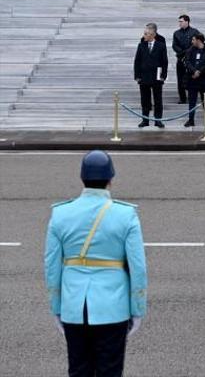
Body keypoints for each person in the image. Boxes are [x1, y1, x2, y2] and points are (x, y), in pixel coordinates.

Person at [45, 150, 147, 377]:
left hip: (73, 306)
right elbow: (138, 267)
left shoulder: (60, 214)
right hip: (113, 307)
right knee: (109, 370)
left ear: (82, 178)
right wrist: (137, 308)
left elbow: (51, 267)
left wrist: (56, 306)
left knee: (79, 370)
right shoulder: (126, 214)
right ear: (111, 179)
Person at [133, 22, 168, 128]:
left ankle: (158, 120)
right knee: (145, 100)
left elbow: (164, 62)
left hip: (156, 77)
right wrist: (137, 76)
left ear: (152, 35)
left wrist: (163, 76)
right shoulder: (141, 45)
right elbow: (137, 61)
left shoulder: (161, 46)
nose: (144, 36)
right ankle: (145, 120)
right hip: (144, 77)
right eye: (144, 33)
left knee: (158, 100)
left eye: (146, 34)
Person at [183, 34, 205, 128]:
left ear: (199, 40)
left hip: (203, 80)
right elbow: (187, 61)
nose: (192, 41)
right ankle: (191, 120)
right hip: (192, 79)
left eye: (193, 39)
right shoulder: (190, 50)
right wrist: (194, 71)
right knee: (192, 101)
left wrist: (199, 72)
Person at [171, 14, 201, 104]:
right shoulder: (176, 33)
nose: (179, 23)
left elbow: (197, 43)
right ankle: (182, 98)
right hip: (181, 59)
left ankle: (192, 96)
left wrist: (188, 51)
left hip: (191, 59)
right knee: (180, 79)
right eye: (179, 21)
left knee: (192, 78)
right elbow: (174, 45)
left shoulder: (194, 32)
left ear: (187, 22)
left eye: (181, 21)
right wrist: (182, 52)